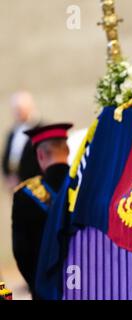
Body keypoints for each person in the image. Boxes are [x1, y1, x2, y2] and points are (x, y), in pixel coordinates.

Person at [12, 123, 72, 299]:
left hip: (44, 289)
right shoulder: (85, 185)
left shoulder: (25, 195)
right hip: (85, 286)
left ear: (40, 155)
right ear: (67, 151)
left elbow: (22, 251)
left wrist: (36, 285)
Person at [1, 91, 41, 190]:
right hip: (15, 185)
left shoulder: (40, 129)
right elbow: (6, 156)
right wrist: (8, 176)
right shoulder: (12, 132)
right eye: (15, 109)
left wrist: (22, 178)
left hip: (34, 184)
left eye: (20, 109)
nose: (17, 112)